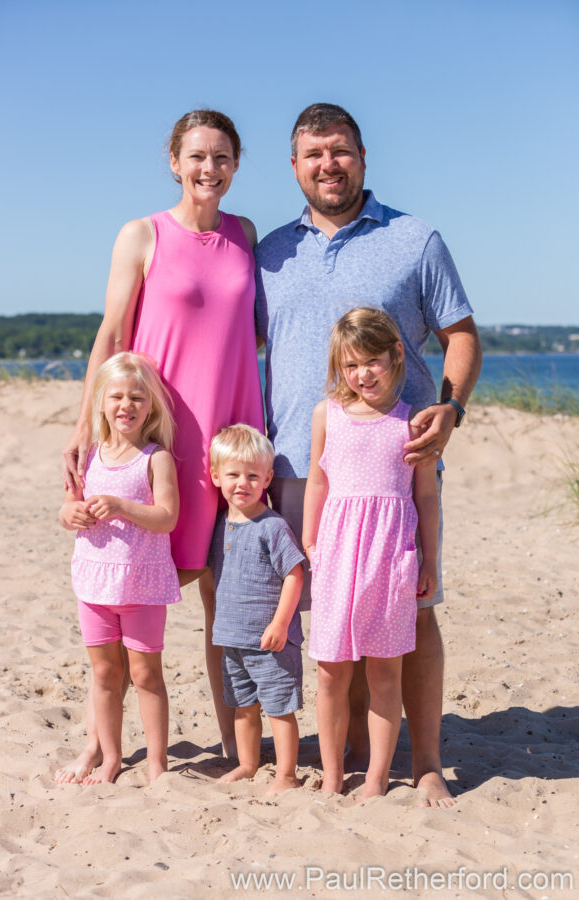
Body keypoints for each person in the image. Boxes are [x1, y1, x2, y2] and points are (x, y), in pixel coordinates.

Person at [255, 102, 482, 807]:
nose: (329, 163)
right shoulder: (269, 253)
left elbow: (463, 337)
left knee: (412, 615)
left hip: (392, 469)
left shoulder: (415, 240)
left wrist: (450, 408)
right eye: (314, 153)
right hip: (295, 466)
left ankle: (427, 763)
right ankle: (351, 754)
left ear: (362, 157)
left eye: (341, 150)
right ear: (294, 167)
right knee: (330, 619)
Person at [58, 110, 263, 781]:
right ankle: (98, 742)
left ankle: (238, 750)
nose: (210, 169)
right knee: (129, 595)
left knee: (223, 602)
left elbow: (251, 336)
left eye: (223, 158)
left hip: (230, 442)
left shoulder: (246, 236)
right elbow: (113, 331)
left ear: (236, 165)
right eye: (198, 156)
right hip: (155, 445)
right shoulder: (141, 234)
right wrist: (87, 423)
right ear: (174, 160)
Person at [303, 308, 438, 800]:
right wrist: (311, 541)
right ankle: (334, 776)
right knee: (330, 670)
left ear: (396, 355)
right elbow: (318, 479)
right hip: (338, 553)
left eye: (373, 362)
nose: (363, 375)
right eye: (351, 365)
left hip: (390, 553)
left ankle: (378, 778)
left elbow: (425, 496)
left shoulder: (414, 422)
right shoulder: (327, 414)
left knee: (385, 671)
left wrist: (429, 560)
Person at [58, 352, 180, 785]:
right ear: (101, 403)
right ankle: (110, 756)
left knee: (146, 674)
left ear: (151, 406)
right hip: (93, 581)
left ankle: (156, 763)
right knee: (106, 673)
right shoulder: (88, 454)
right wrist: (67, 514)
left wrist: (123, 507)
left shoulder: (155, 458)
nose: (126, 405)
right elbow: (69, 504)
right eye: (117, 397)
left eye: (137, 397)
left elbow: (167, 517)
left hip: (141, 583)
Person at [208, 425, 304, 794]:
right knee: (243, 706)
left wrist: (281, 624)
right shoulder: (220, 525)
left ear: (267, 478)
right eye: (232, 475)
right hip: (231, 637)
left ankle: (287, 774)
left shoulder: (273, 527)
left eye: (253, 475)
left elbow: (295, 575)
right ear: (217, 476)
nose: (242, 483)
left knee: (279, 707)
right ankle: (248, 764)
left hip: (271, 640)